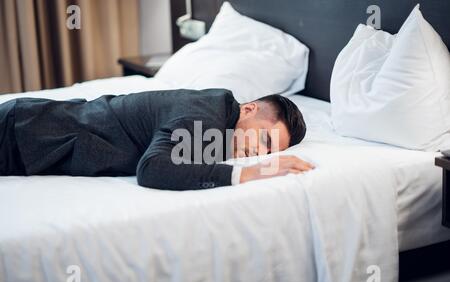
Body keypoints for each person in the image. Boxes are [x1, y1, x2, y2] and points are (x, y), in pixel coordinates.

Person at [0, 89, 314, 190]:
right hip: (25, 134)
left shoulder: (220, 117)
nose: (258, 152)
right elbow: (152, 170)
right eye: (264, 139)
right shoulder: (204, 117)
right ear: (248, 109)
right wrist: (250, 172)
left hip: (31, 125)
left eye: (271, 151)